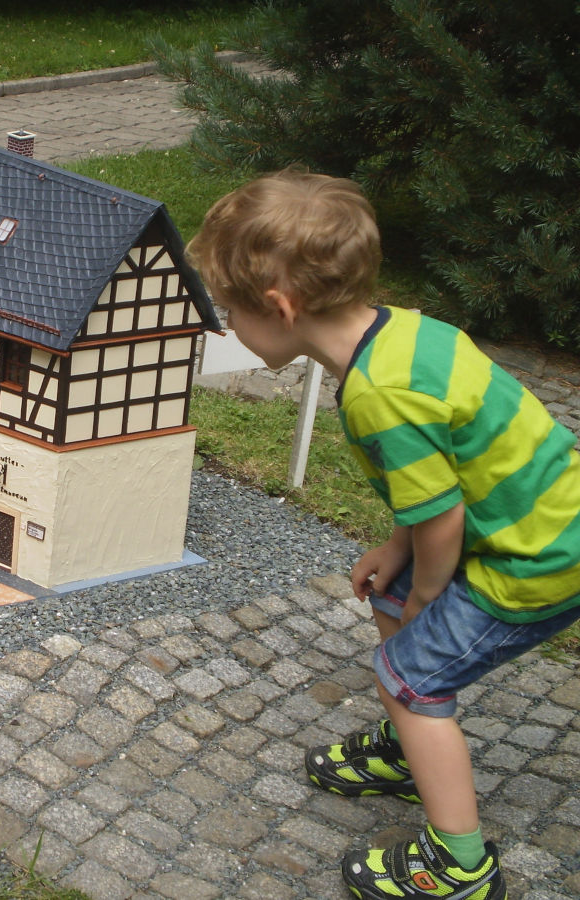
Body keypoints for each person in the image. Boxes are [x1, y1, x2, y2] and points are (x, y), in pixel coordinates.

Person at [185, 168, 580, 900]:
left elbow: (442, 517)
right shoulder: (406, 334)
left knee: (409, 679)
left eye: (231, 309)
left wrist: (429, 592)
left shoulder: (378, 394)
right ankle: (407, 756)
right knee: (390, 590)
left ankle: (459, 866)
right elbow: (437, 483)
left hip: (538, 558)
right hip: (551, 520)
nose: (229, 325)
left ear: (279, 306)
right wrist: (399, 557)